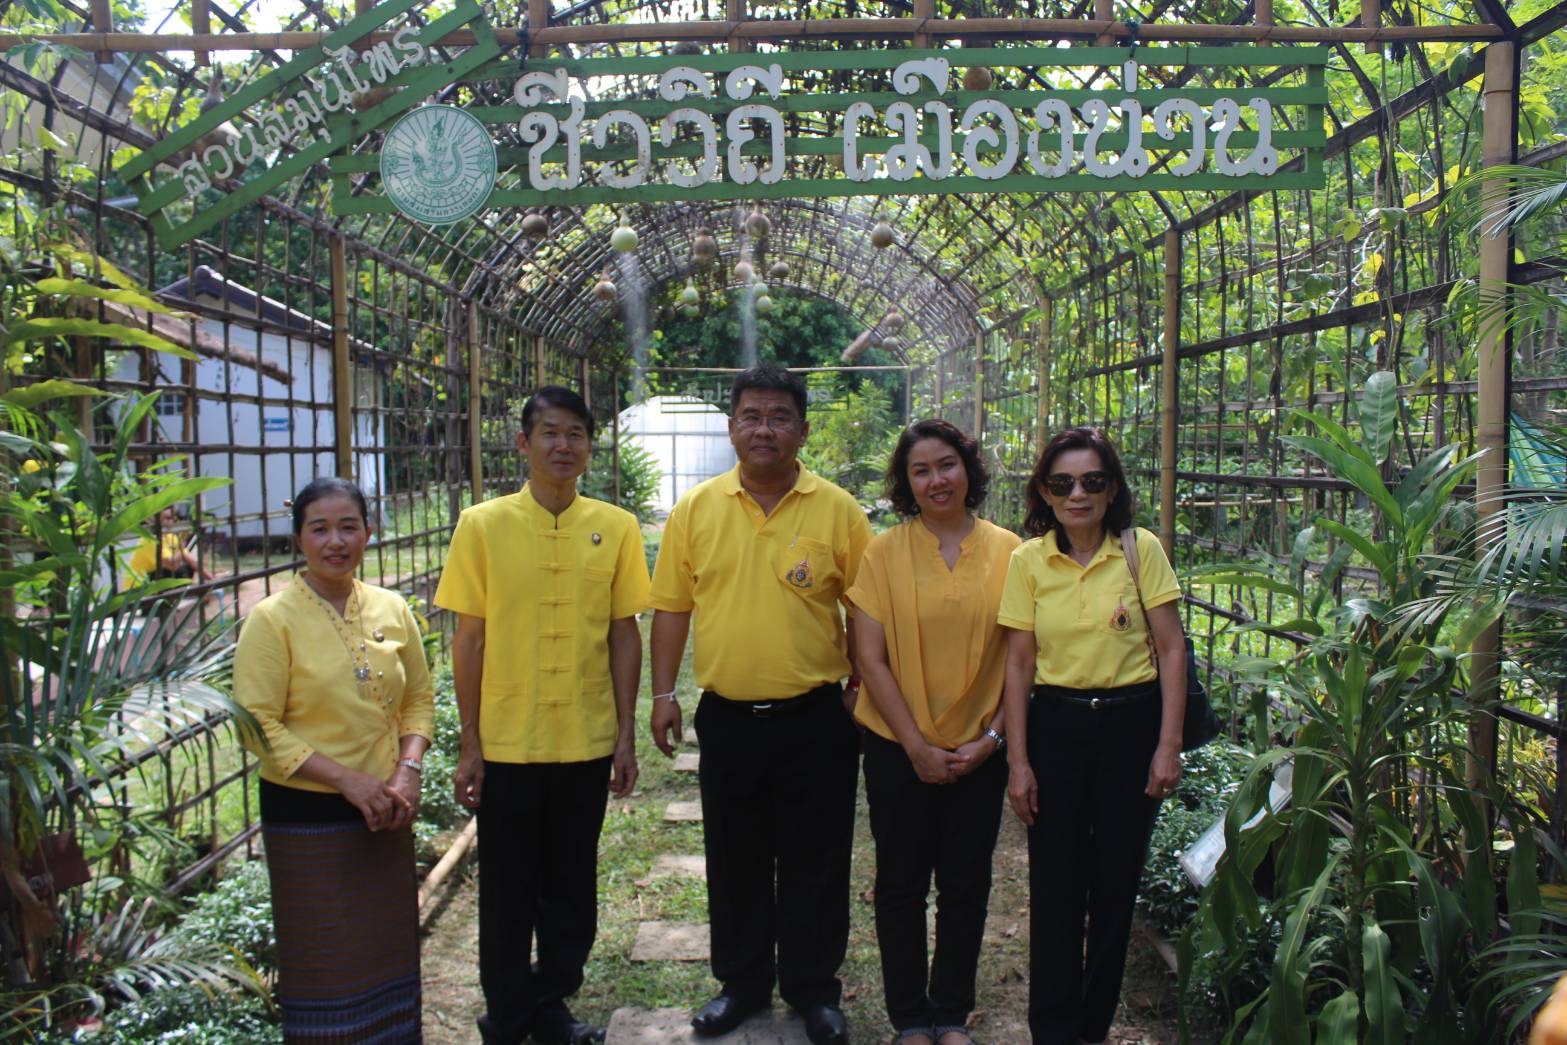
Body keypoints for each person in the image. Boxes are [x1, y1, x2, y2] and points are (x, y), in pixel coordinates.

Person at [648, 363, 872, 1045]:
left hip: (816, 717)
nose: (764, 428)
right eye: (751, 415)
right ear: (732, 427)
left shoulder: (837, 509)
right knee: (735, 855)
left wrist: (861, 685)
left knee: (818, 858)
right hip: (729, 715)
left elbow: (865, 610)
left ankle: (813, 988)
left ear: (802, 430)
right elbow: (671, 608)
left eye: (779, 416)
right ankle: (741, 984)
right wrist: (663, 692)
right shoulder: (697, 508)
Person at [434, 386, 649, 1045]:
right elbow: (468, 639)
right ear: (523, 443)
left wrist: (622, 735)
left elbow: (623, 633)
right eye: (549, 433)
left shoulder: (614, 527)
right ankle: (506, 1013)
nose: (563, 445)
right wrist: (469, 743)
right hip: (507, 743)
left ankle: (551, 1000)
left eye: (576, 434)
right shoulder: (482, 524)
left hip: (583, 742)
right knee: (506, 889)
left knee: (571, 888)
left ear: (589, 445)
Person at [997, 427, 1188, 1045]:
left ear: (1111, 490)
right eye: (1062, 483)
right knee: (1055, 885)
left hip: (1131, 727)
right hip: (1057, 727)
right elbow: (1019, 665)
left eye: (1092, 481)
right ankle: (1052, 1029)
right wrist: (1018, 763)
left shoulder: (1140, 549)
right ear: (1045, 494)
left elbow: (1171, 648)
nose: (1077, 493)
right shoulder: (1029, 560)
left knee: (1115, 884)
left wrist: (1167, 745)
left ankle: (1092, 1027)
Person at [232, 477, 433, 1043]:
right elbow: (257, 725)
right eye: (320, 528)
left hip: (386, 811)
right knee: (324, 959)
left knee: (386, 949)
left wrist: (407, 771)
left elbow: (419, 698)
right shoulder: (272, 621)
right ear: (299, 539)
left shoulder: (392, 608)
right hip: (309, 818)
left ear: (369, 533)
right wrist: (347, 781)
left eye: (349, 526)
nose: (336, 541)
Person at [849, 420, 1020, 1045]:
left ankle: (951, 1013)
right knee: (899, 884)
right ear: (906, 484)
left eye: (946, 465)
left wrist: (993, 741)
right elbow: (869, 659)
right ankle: (909, 1019)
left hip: (981, 747)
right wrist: (915, 745)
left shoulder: (1011, 551)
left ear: (967, 470)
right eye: (920, 471)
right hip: (898, 747)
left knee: (966, 882)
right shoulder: (883, 552)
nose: (936, 480)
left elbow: (1023, 660)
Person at [124, 505, 212, 588]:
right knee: (177, 571)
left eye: (173, 518)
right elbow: (172, 565)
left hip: (151, 584)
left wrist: (211, 578)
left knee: (187, 568)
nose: (171, 522)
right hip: (137, 590)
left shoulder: (169, 536)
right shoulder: (150, 540)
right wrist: (182, 542)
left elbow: (192, 561)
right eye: (167, 518)